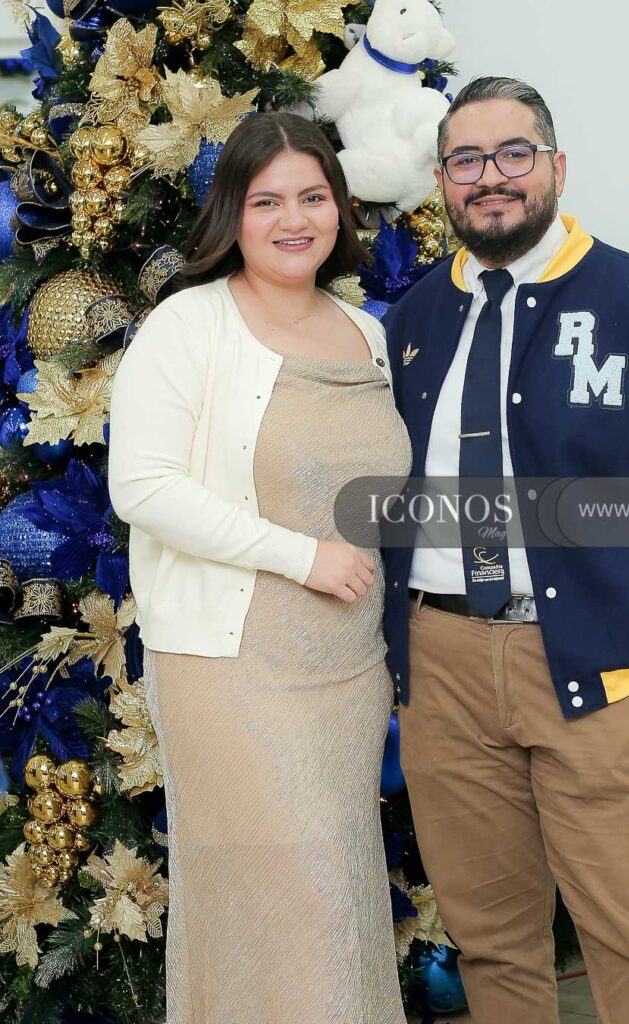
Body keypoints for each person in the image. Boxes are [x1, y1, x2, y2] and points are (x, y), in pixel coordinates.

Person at [381, 77, 629, 1024]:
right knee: (493, 943)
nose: (491, 178)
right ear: (441, 181)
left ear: (554, 166)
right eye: (466, 161)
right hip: (447, 669)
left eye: (513, 154)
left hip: (602, 661)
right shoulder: (412, 322)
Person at [108, 111, 410, 1024]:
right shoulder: (188, 325)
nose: (293, 219)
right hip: (230, 668)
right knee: (288, 908)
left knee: (343, 905)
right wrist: (300, 556)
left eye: (312, 197)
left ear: (339, 209)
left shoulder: (368, 334)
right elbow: (142, 487)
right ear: (231, 214)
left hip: (347, 670)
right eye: (266, 199)